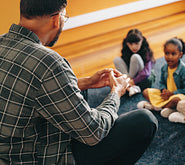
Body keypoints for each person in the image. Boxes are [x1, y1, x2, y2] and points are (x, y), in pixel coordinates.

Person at [0, 0, 158, 164]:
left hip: (9, 152)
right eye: (64, 17)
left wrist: (85, 82)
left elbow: (28, 90)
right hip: (41, 157)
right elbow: (94, 132)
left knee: (80, 93)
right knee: (145, 121)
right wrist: (116, 93)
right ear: (56, 19)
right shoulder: (49, 63)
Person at [137, 37, 185, 118]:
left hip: (178, 95)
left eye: (173, 54)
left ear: (180, 55)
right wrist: (163, 90)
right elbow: (161, 82)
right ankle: (165, 108)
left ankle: (156, 107)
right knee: (145, 92)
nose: (169, 57)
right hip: (167, 95)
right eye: (167, 53)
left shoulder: (184, 70)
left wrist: (172, 93)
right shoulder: (164, 68)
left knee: (176, 100)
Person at [113, 28, 155, 96]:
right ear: (127, 43)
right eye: (130, 44)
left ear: (142, 41)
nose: (133, 47)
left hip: (141, 76)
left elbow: (146, 73)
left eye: (136, 43)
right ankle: (130, 86)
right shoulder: (126, 49)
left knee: (135, 57)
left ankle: (127, 85)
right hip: (131, 73)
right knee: (116, 59)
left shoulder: (146, 51)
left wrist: (133, 81)